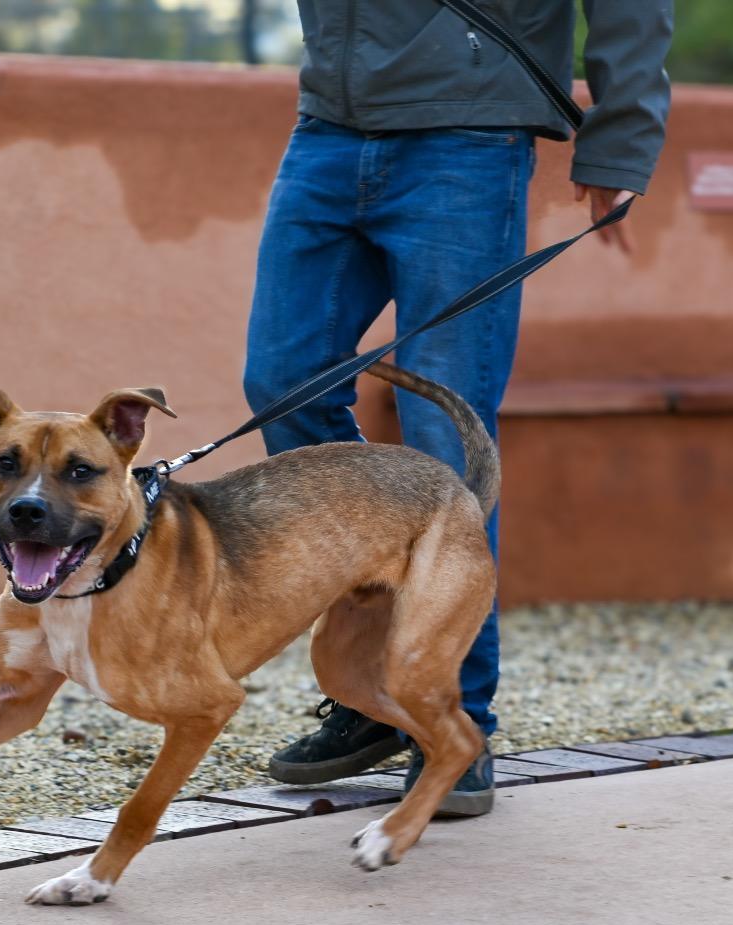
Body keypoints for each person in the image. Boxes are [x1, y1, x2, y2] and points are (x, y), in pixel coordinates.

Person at [243, 1, 673, 814]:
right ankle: (373, 693)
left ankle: (452, 722)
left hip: (469, 137)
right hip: (328, 126)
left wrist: (621, 136)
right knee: (285, 385)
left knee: (447, 433)